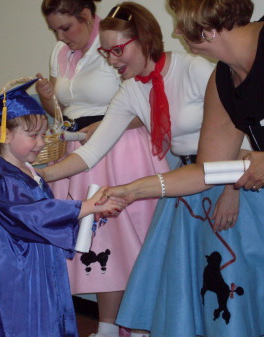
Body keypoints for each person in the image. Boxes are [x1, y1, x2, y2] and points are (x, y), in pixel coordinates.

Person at [36, 2, 252, 336]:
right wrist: (39, 175)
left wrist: (231, 190)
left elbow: (242, 131)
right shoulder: (130, 91)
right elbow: (92, 151)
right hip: (187, 182)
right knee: (190, 279)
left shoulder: (193, 69)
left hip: (232, 180)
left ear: (145, 39)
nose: (112, 60)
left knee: (233, 275)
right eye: (106, 52)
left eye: (117, 50)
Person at [95, 1, 264, 336]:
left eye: (180, 23)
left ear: (207, 27)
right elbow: (208, 171)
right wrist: (131, 191)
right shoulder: (223, 80)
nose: (174, 31)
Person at [36, 2, 169, 336]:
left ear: (86, 16)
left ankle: (141, 325)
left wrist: (109, 126)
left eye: (66, 28)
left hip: (124, 145)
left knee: (134, 237)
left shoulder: (114, 45)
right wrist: (46, 97)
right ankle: (108, 326)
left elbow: (147, 102)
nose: (60, 36)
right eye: (55, 30)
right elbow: (63, 110)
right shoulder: (60, 52)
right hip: (81, 145)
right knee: (98, 239)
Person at [0, 77, 126, 337]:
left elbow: (49, 214)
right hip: (18, 273)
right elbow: (35, 216)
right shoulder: (3, 179)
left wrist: (92, 215)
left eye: (43, 134)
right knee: (25, 324)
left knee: (49, 319)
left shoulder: (30, 172)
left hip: (40, 266)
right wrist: (83, 207)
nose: (41, 143)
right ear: (4, 134)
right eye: (33, 136)